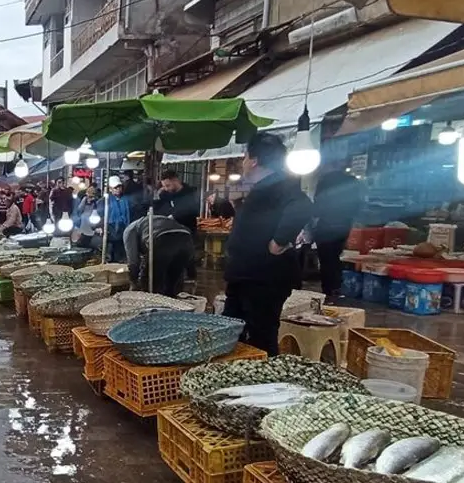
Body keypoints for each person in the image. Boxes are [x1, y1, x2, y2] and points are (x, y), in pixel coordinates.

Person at [223, 133, 313, 356]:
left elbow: (302, 205)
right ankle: (239, 377)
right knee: (230, 330)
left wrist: (279, 242)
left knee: (261, 334)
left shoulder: (282, 184)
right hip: (244, 276)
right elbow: (256, 222)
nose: (243, 162)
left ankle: (263, 383)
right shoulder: (262, 188)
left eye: (244, 157)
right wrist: (237, 204)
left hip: (264, 278)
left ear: (253, 160)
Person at [312, 163, 365, 297]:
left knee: (326, 259)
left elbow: (318, 205)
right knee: (335, 256)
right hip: (344, 225)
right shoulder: (352, 181)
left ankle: (329, 289)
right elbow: (358, 204)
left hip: (326, 225)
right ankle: (336, 287)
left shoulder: (324, 182)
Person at [123, 214, 195, 297]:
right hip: (186, 239)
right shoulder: (156, 220)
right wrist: (192, 275)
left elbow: (133, 261)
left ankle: (153, 306)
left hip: (163, 240)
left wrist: (133, 281)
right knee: (173, 285)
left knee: (150, 284)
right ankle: (173, 304)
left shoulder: (129, 231)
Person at [154, 169, 201, 280]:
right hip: (171, 231)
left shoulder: (190, 192)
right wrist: (157, 196)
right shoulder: (166, 194)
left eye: (168, 185)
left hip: (187, 230)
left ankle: (191, 280)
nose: (166, 188)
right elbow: (159, 207)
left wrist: (174, 216)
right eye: (164, 186)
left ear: (175, 181)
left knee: (188, 256)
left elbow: (194, 210)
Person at [104, 182, 131, 263]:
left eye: (119, 187)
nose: (118, 189)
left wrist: (127, 225)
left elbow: (127, 213)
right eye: (116, 188)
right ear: (111, 189)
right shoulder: (107, 199)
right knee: (113, 244)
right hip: (111, 225)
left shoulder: (125, 199)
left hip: (122, 225)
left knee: (121, 244)